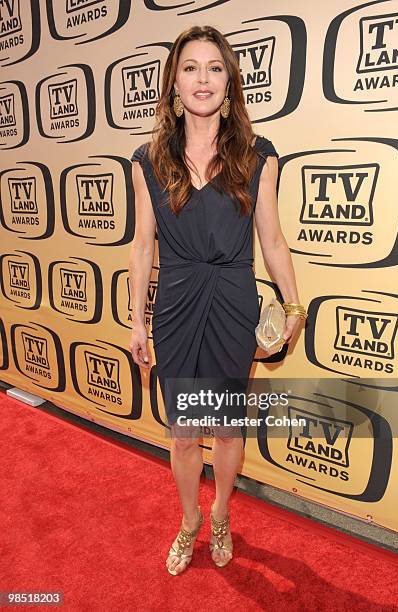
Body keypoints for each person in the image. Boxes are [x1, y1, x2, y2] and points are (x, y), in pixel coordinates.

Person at [129, 25, 307, 576]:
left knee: (227, 426)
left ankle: (223, 513)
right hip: (177, 306)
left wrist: (294, 305)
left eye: (214, 67)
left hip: (233, 301)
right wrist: (136, 320)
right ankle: (189, 521)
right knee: (184, 433)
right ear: (174, 82)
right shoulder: (149, 159)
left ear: (228, 81)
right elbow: (141, 247)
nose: (202, 78)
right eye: (190, 67)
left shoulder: (257, 155)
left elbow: (272, 240)